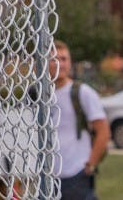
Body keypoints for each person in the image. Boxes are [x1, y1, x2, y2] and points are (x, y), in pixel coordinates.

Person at [50, 40, 109, 200]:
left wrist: (90, 165)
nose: (60, 64)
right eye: (54, 59)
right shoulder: (36, 95)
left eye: (64, 59)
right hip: (46, 176)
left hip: (76, 175)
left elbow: (103, 131)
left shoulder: (82, 92)